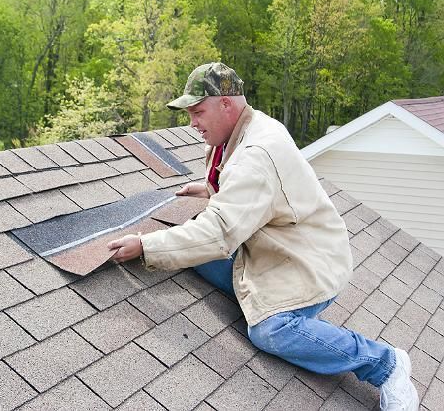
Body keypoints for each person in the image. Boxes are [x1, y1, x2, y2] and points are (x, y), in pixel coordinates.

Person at [107, 62, 419, 411]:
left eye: (197, 112)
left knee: (269, 329)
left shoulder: (257, 153)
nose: (192, 123)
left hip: (307, 263)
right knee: (186, 252)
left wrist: (145, 245)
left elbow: (219, 233)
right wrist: (215, 189)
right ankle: (266, 299)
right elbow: (247, 191)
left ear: (225, 104)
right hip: (271, 246)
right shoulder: (245, 129)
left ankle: (384, 364)